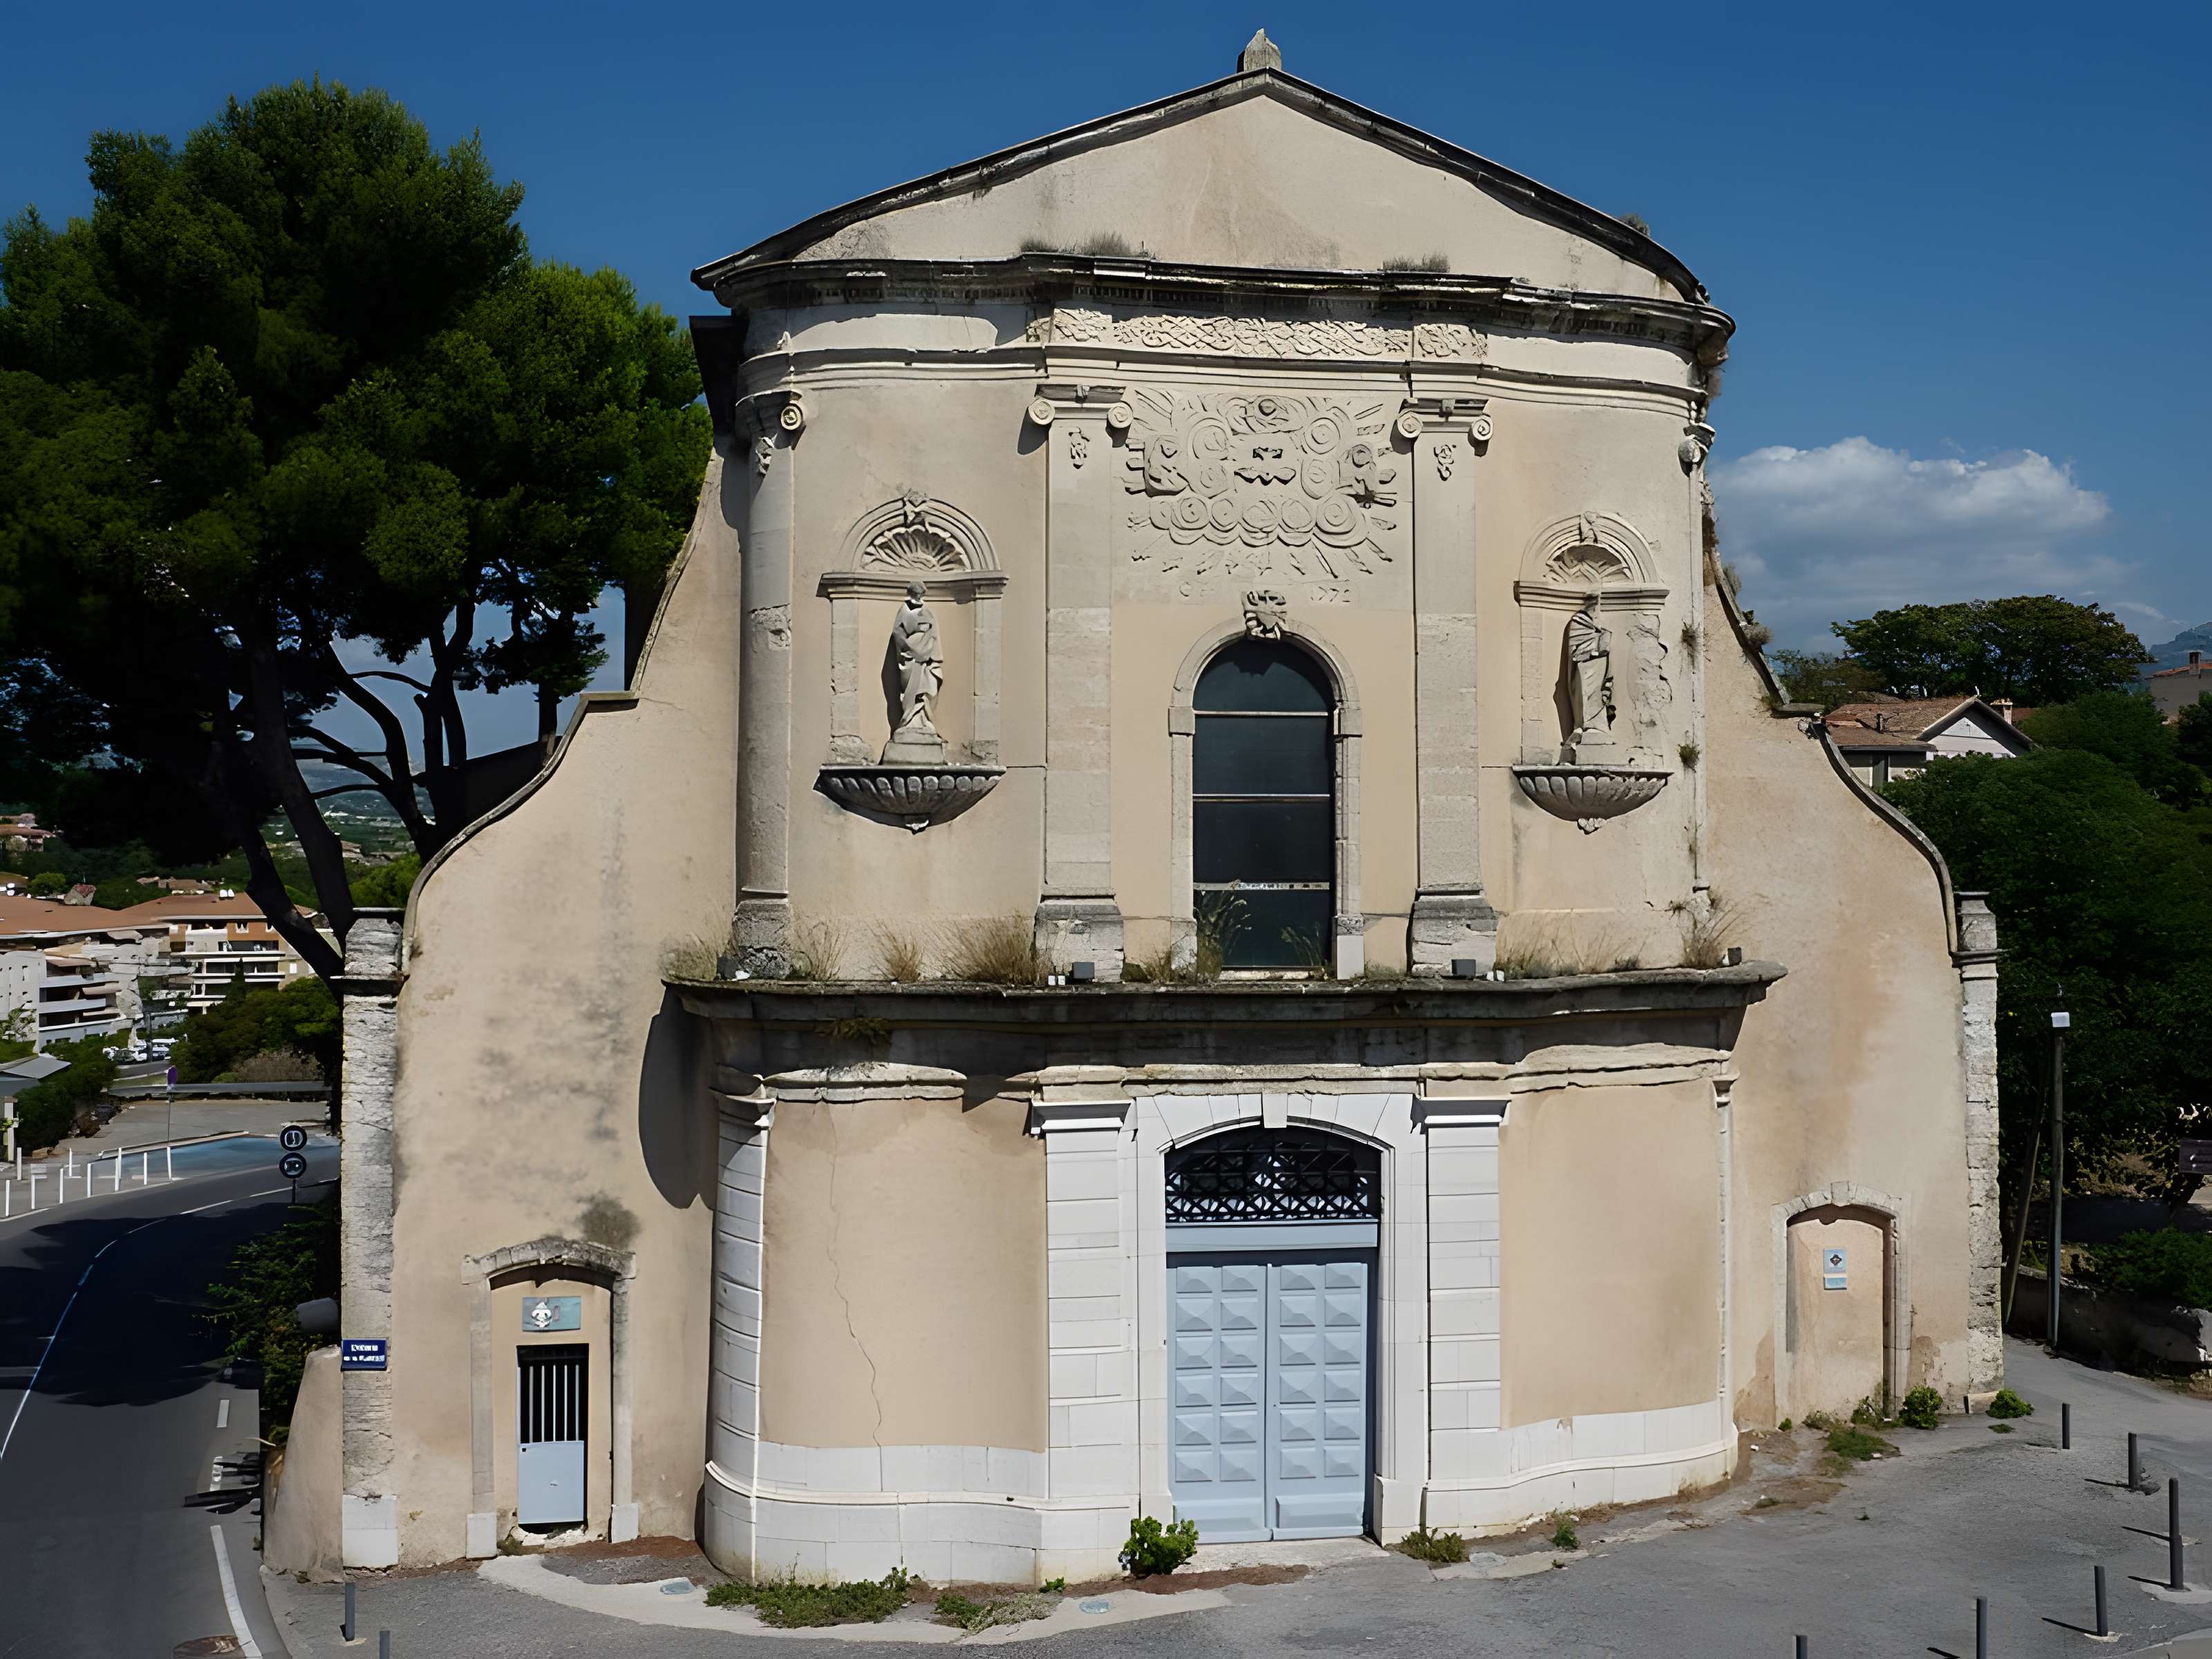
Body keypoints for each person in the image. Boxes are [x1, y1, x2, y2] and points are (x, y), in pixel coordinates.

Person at [890, 583, 944, 738]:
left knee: (929, 687)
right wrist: (911, 649)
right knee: (911, 690)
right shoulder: (903, 611)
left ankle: (924, 721)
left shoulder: (928, 612)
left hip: (926, 660)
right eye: (916, 593)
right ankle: (909, 722)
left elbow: (934, 635)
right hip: (910, 659)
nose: (919, 596)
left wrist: (926, 650)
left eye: (921, 594)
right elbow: (898, 634)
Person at [1566, 594, 1613, 746]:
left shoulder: (1598, 625)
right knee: (1585, 694)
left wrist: (1602, 642)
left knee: (1598, 694)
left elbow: (1604, 644)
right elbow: (1575, 650)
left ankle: (1598, 725)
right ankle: (1586, 725)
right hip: (1585, 667)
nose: (1597, 608)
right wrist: (1593, 651)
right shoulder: (1578, 621)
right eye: (1595, 604)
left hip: (1599, 666)